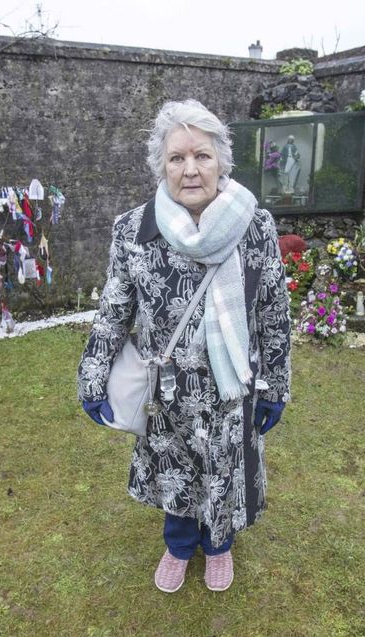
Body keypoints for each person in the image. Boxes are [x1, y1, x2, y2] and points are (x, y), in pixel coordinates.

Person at [77, 99, 292, 593]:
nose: (190, 169)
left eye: (202, 156)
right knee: (173, 469)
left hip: (233, 384)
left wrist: (277, 384)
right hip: (168, 387)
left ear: (222, 162)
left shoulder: (255, 226)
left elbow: (274, 312)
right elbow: (114, 309)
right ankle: (178, 545)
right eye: (177, 158)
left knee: (224, 469)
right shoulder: (134, 230)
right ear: (162, 166)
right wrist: (92, 375)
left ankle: (219, 547)